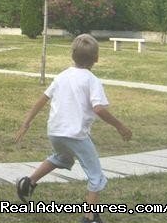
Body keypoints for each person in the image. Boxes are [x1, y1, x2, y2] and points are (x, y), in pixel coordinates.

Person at [14, 34, 132, 223]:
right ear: (96, 58)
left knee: (61, 157)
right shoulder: (91, 80)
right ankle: (89, 217)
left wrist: (26, 122)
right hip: (75, 135)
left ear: (72, 55)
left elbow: (41, 100)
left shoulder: (61, 76)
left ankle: (28, 182)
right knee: (95, 176)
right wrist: (120, 126)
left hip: (55, 132)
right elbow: (99, 108)